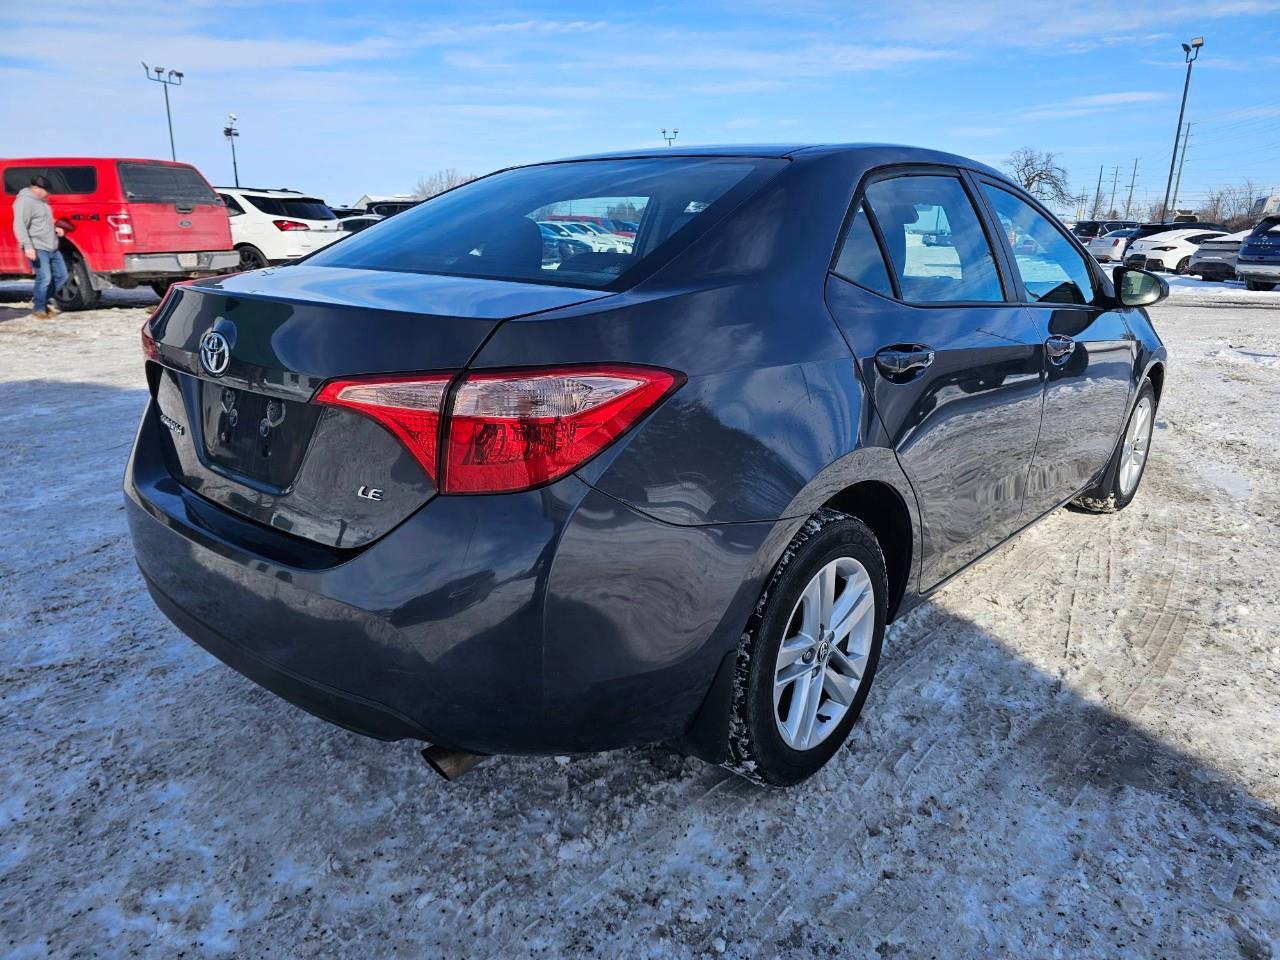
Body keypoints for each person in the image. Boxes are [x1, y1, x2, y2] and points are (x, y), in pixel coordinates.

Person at [13, 174, 69, 319]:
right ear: (37, 189)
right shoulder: (24, 202)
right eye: (47, 191)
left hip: (52, 246)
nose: (49, 194)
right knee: (44, 278)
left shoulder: (42, 202)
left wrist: (56, 228)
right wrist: (27, 246)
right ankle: (39, 309)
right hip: (37, 246)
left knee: (62, 276)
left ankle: (41, 300)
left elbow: (43, 220)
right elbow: (19, 225)